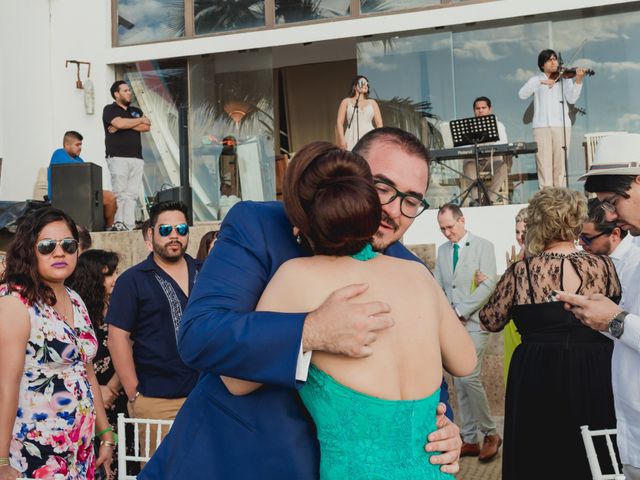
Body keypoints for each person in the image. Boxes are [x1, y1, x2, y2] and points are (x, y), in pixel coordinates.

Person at [140, 127, 463, 479]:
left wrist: (443, 431)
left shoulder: (411, 270)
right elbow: (199, 334)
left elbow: (431, 380)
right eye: (381, 187)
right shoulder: (259, 225)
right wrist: (310, 331)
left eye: (411, 200)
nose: (391, 210)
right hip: (230, 462)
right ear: (344, 168)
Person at [220, 142, 477, 478]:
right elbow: (466, 361)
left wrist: (308, 331)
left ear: (299, 220)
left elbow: (236, 381)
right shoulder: (417, 274)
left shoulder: (296, 277)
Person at [480, 187, 620, 479]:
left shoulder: (521, 272)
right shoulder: (604, 266)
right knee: (592, 455)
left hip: (537, 373)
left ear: (538, 222)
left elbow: (490, 320)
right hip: (594, 369)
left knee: (540, 455)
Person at [0, 207, 114, 479]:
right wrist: (1, 460)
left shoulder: (76, 300)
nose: (59, 252)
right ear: (29, 250)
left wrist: (105, 433)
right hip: (34, 452)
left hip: (79, 448)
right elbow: (6, 385)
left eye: (68, 245)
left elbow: (86, 371)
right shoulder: (15, 303)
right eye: (47, 246)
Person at [556, 133, 640, 479]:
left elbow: (627, 324)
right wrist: (599, 317)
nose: (612, 217)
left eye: (612, 202)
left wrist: (615, 319)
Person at [106, 201, 200, 460]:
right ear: (150, 234)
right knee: (164, 471)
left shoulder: (206, 272)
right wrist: (133, 389)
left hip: (208, 394)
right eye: (166, 229)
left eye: (181, 229)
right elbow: (117, 337)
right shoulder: (133, 280)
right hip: (158, 400)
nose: (174, 235)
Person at [434, 204, 501, 462]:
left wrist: (460, 312)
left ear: (462, 220)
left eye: (450, 227)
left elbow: (489, 286)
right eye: (442, 229)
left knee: (469, 376)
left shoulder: (484, 246)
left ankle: (491, 433)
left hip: (474, 323)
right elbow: (439, 285)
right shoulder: (442, 251)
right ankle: (471, 438)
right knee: (458, 381)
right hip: (450, 324)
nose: (447, 233)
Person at [67, 249, 136, 478]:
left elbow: (133, 349)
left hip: (118, 400)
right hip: (85, 402)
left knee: (123, 463)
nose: (115, 279)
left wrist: (111, 389)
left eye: (116, 272)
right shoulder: (74, 313)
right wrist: (98, 392)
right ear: (92, 278)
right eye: (108, 274)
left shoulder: (123, 308)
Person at [518, 49, 586, 188]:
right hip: (541, 127)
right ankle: (547, 196)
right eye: (550, 59)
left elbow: (572, 98)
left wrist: (578, 81)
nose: (554, 61)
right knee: (543, 164)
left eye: (555, 58)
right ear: (542, 64)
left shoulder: (564, 79)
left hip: (562, 126)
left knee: (560, 164)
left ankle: (560, 194)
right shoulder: (536, 80)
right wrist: (542, 82)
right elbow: (522, 94)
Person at [103, 80, 151, 231]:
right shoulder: (110, 109)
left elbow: (147, 125)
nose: (129, 92)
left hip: (136, 157)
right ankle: (119, 224)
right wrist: (133, 122)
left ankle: (129, 225)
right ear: (116, 94)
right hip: (118, 156)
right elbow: (120, 123)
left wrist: (125, 124)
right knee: (120, 193)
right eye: (125, 90)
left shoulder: (134, 110)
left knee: (132, 194)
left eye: (129, 90)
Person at [48, 130, 117, 228]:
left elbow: (85, 177)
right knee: (110, 197)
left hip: (79, 195)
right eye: (77, 145)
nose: (80, 148)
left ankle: (106, 227)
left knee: (111, 198)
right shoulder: (59, 153)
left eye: (81, 145)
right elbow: (82, 170)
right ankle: (110, 227)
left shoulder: (78, 159)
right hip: (61, 197)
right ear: (67, 145)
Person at [461, 97, 510, 204]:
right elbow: (461, 147)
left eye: (484, 108)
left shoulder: (499, 125)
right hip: (474, 160)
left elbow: (503, 143)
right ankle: (476, 199)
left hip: (492, 159)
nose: (481, 110)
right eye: (478, 108)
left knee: (502, 167)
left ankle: (489, 199)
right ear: (474, 111)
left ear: (489, 109)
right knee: (468, 166)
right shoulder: (468, 126)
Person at [502, 208, 527, 382]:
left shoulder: (543, 260)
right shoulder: (515, 260)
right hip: (511, 326)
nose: (520, 236)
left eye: (524, 232)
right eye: (517, 232)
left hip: (529, 329)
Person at [336, 75, 383, 151]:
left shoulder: (372, 102)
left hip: (369, 135)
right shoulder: (346, 101)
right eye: (362, 82)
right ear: (355, 87)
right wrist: (342, 139)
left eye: (367, 83)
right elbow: (339, 122)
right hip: (351, 136)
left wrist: (377, 138)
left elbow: (379, 122)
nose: (366, 85)